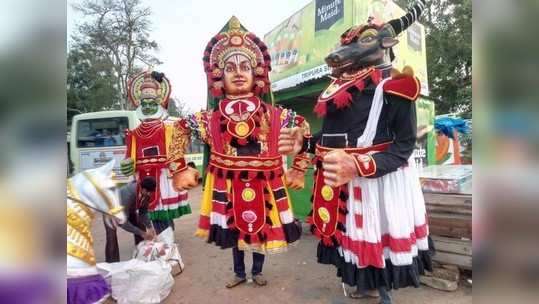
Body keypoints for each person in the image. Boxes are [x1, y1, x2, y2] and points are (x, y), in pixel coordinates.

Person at [279, 1, 432, 303]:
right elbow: (335, 138)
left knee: (378, 244)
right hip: (344, 185)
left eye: (361, 43)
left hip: (378, 184)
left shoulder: (397, 87)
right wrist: (305, 144)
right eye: (345, 45)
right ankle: (364, 288)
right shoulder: (342, 87)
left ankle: (384, 295)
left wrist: (359, 166)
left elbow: (402, 149)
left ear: (387, 44)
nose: (345, 52)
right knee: (352, 245)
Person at [167, 16, 311, 288]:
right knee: (234, 232)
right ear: (219, 76)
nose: (238, 72)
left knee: (263, 232)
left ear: (257, 72)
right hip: (227, 182)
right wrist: (180, 167)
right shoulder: (210, 117)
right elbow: (179, 129)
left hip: (266, 182)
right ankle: (237, 273)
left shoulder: (274, 113)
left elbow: (303, 128)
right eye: (230, 67)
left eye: (245, 66)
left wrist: (299, 166)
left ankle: (256, 272)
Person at [120, 71, 191, 230]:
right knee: (149, 212)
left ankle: (166, 242)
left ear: (159, 103)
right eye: (144, 103)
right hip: (143, 179)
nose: (147, 106)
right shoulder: (133, 134)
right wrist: (127, 164)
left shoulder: (168, 129)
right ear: (139, 104)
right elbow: (128, 159)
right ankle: (161, 241)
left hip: (164, 177)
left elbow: (178, 151)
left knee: (162, 213)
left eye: (152, 103)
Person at [103, 177, 157, 263]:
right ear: (142, 188)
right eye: (147, 192)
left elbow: (143, 212)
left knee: (141, 226)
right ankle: (112, 265)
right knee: (111, 238)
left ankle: (141, 257)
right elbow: (123, 222)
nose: (149, 194)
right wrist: (142, 233)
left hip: (129, 208)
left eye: (151, 192)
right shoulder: (128, 194)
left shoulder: (146, 193)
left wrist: (150, 227)